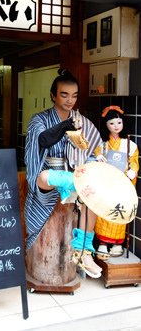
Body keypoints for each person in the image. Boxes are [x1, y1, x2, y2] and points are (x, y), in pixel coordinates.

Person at [25, 68, 102, 278]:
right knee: (44, 176)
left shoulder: (80, 120)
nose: (70, 101)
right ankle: (73, 182)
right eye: (64, 94)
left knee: (91, 191)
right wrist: (66, 125)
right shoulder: (38, 120)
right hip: (48, 181)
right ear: (53, 95)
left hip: (74, 181)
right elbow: (42, 141)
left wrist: (95, 160)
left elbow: (93, 147)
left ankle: (84, 251)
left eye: (74, 95)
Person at [94, 105, 139, 259]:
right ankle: (102, 243)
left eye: (119, 123)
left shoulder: (130, 145)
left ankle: (118, 243)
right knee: (104, 211)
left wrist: (133, 170)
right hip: (106, 184)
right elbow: (94, 160)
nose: (116, 126)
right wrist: (98, 158)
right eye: (112, 123)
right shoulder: (102, 145)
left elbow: (134, 162)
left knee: (119, 211)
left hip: (121, 185)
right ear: (106, 125)